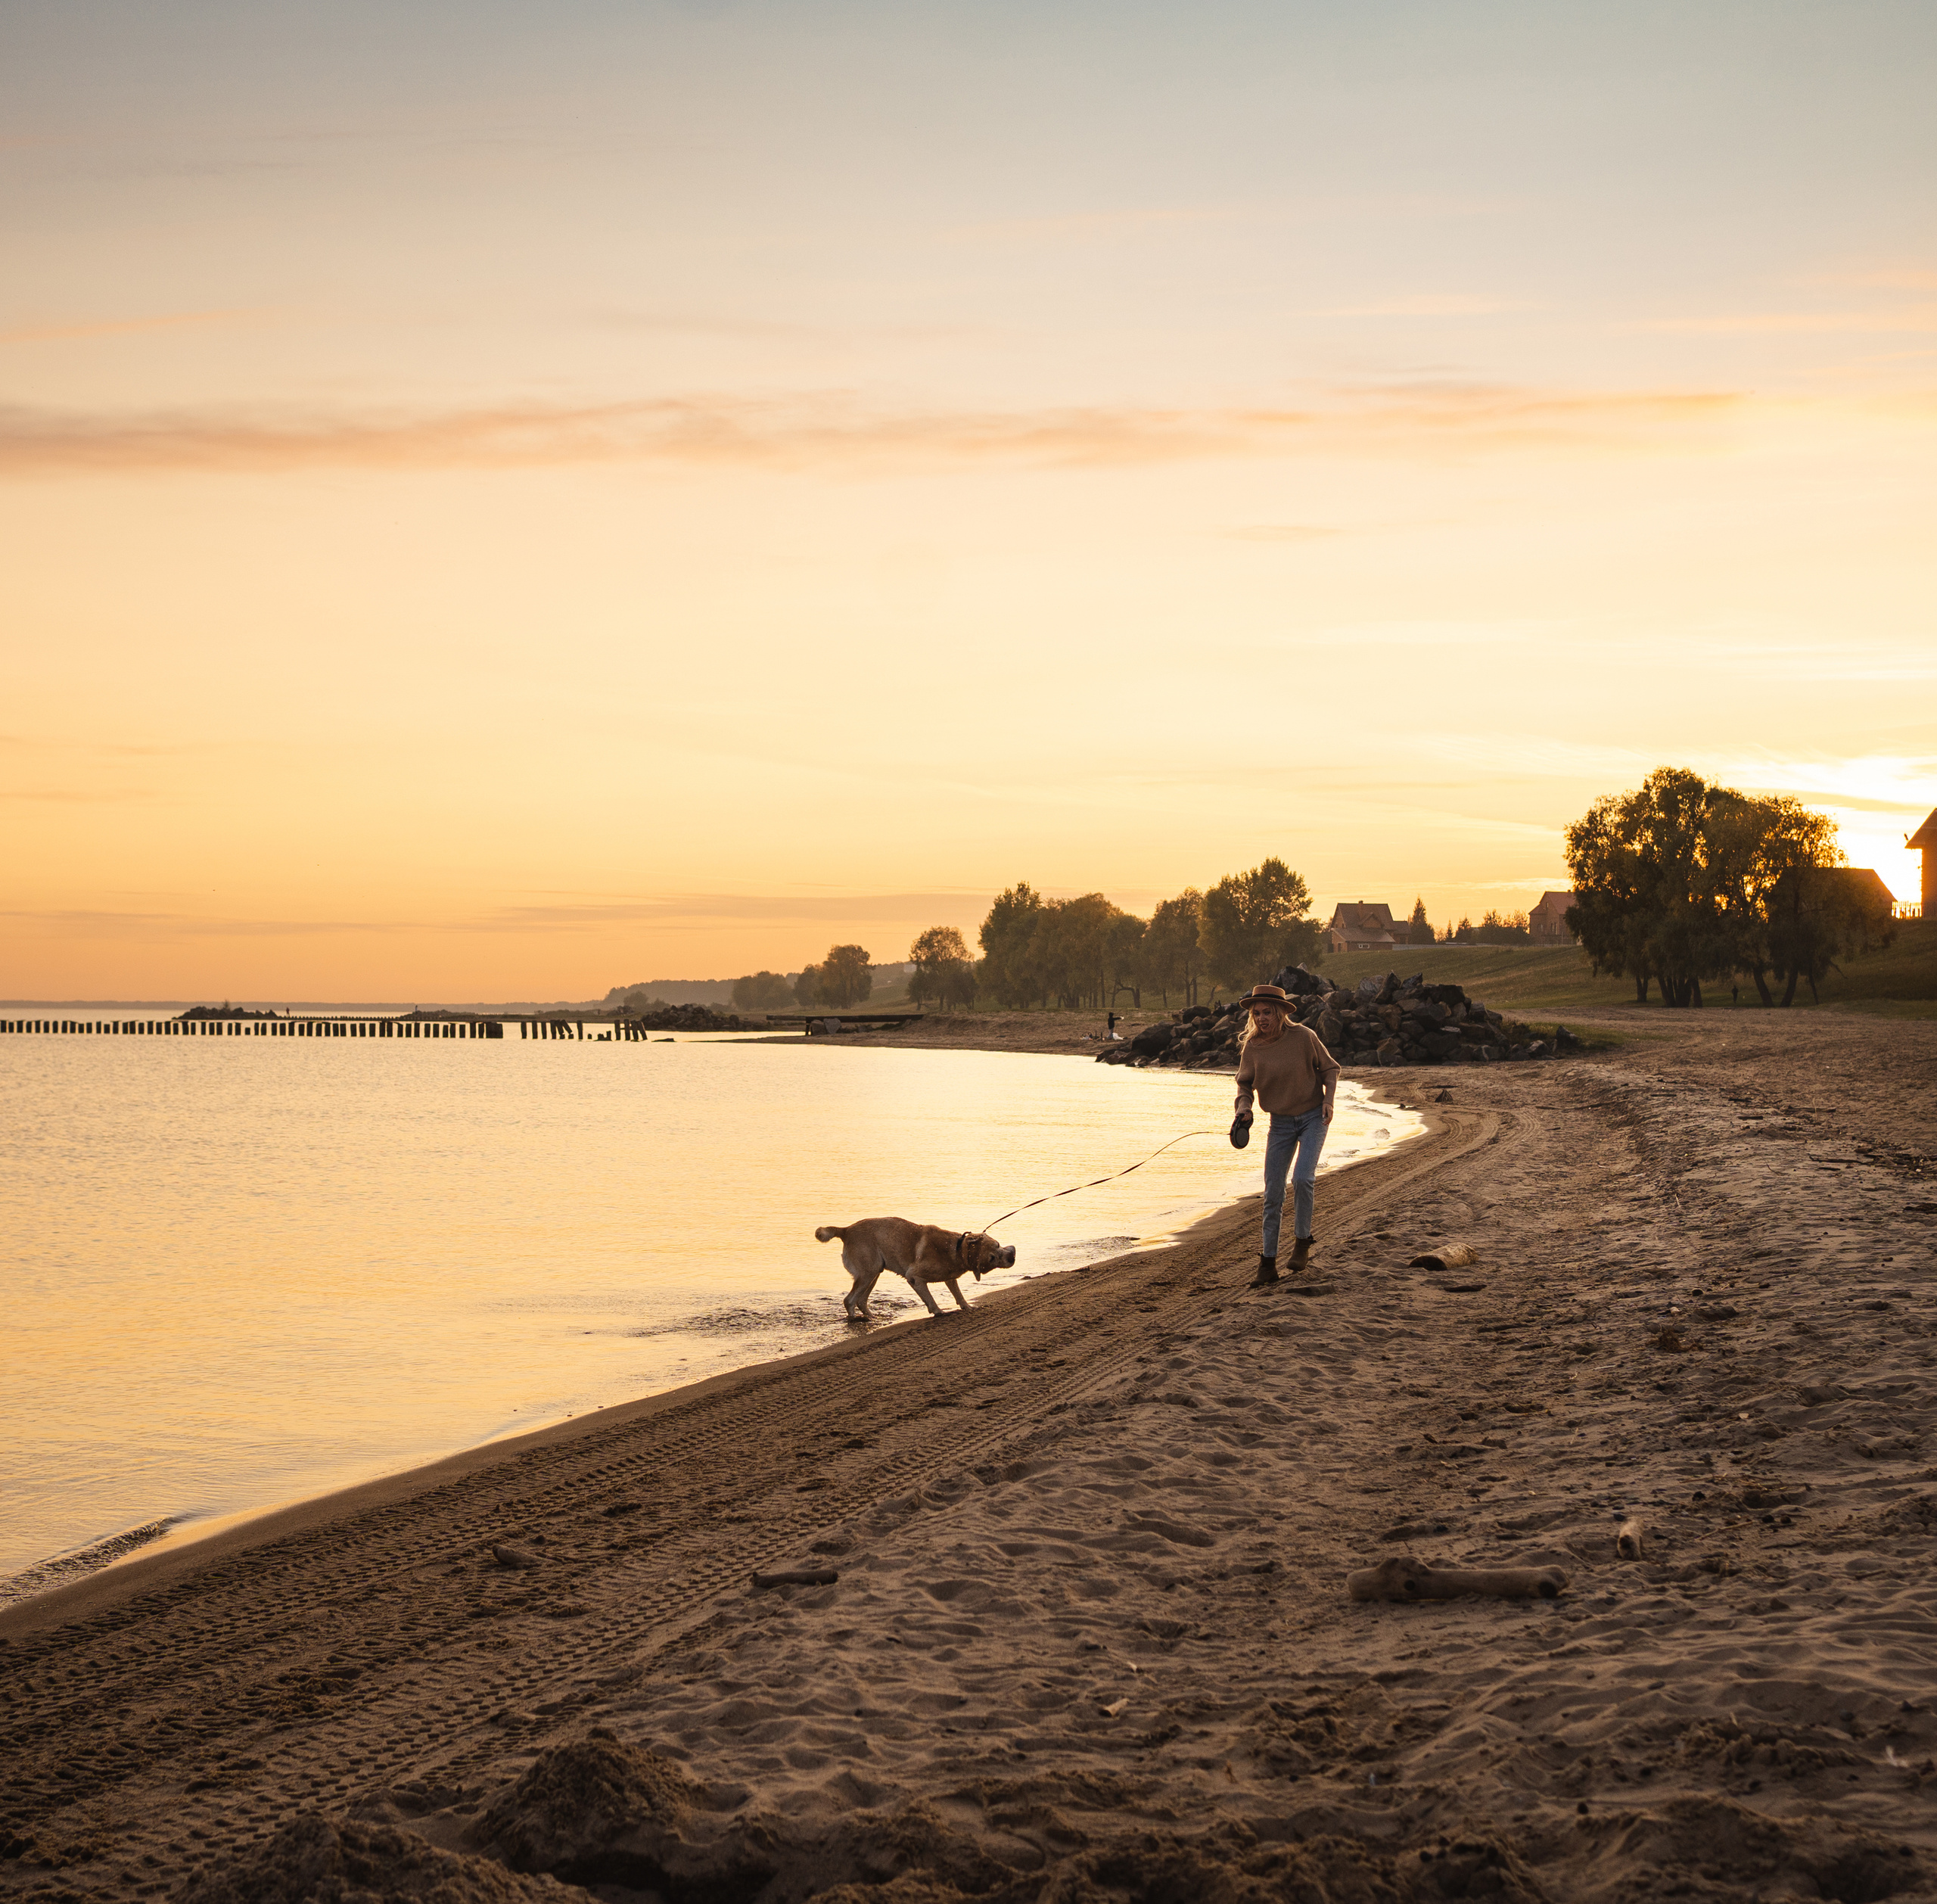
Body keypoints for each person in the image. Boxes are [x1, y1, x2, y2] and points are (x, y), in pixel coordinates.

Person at [1231, 982, 1338, 1286]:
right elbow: (1244, 1084)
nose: (1262, 1018)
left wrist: (1329, 1100)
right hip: (1279, 1124)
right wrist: (1244, 1108)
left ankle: (1302, 1241)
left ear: (1280, 1013)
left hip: (1313, 1117)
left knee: (1303, 1178)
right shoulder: (1253, 1047)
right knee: (1273, 1194)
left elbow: (1331, 1069)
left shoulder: (1304, 1037)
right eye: (1257, 1013)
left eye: (1267, 1012)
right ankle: (1267, 1265)